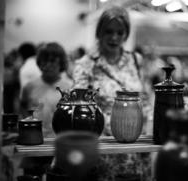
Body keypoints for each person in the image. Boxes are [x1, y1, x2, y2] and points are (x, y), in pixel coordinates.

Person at [72, 6, 152, 181]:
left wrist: (148, 134)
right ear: (99, 32)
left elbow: (145, 99)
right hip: (102, 150)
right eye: (108, 31)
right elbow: (78, 111)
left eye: (120, 32)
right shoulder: (85, 64)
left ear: (126, 34)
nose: (114, 37)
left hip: (135, 148)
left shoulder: (136, 60)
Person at [20, 42, 73, 138]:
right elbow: (22, 109)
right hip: (34, 140)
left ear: (61, 63)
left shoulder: (69, 88)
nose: (48, 65)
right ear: (39, 63)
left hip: (60, 141)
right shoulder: (29, 87)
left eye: (52, 61)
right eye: (44, 61)